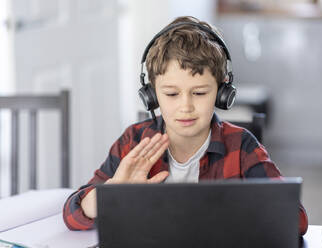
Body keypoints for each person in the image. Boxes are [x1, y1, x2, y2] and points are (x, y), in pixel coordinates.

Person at [63, 16, 308, 235]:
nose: (186, 106)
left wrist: (237, 209)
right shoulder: (134, 142)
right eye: (171, 94)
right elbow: (72, 215)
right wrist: (111, 192)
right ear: (151, 94)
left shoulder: (242, 146)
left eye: (199, 93)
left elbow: (295, 220)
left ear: (222, 92)